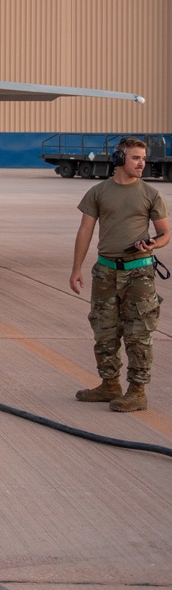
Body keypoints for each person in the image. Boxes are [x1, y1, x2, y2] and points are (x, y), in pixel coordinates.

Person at [70, 136, 169, 412]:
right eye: (136, 157)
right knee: (104, 331)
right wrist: (76, 268)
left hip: (139, 273)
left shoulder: (151, 194)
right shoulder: (98, 192)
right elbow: (85, 231)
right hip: (105, 271)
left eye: (143, 158)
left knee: (138, 333)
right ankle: (109, 384)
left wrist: (153, 242)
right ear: (119, 159)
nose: (142, 163)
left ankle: (137, 391)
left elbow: (165, 234)